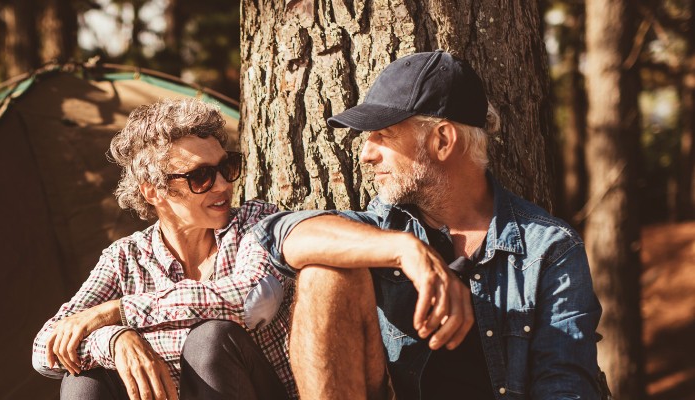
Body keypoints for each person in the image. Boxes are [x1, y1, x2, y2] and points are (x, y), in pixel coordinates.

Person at [253, 50, 605, 399]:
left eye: (384, 135)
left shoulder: (549, 248)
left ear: (442, 140)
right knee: (324, 273)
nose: (366, 153)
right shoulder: (382, 229)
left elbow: (565, 388)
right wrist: (405, 250)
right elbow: (275, 235)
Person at [32, 98, 298, 400]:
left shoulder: (256, 222)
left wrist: (120, 311)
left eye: (226, 166)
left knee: (210, 339)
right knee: (83, 379)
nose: (223, 185)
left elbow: (252, 300)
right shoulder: (125, 258)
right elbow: (46, 349)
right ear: (153, 190)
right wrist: (115, 339)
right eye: (201, 176)